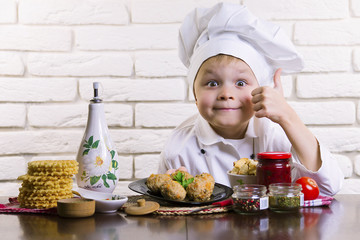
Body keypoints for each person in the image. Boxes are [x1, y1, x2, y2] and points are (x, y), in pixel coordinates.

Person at [158, 2, 343, 196]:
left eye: (240, 83)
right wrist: (172, 193)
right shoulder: (178, 148)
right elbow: (165, 212)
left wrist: (288, 116)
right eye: (212, 83)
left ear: (262, 90)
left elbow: (327, 188)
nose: (226, 93)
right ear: (195, 95)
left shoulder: (275, 133)